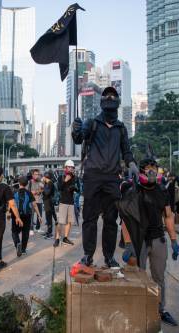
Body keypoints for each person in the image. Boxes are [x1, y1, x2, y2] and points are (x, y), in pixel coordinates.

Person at [72, 86, 138, 267]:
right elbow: (79, 138)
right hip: (93, 176)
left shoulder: (121, 128)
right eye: (106, 95)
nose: (110, 97)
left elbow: (126, 151)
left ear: (117, 102)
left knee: (111, 221)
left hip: (112, 178)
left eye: (113, 95)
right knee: (89, 219)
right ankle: (88, 255)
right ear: (101, 102)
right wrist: (75, 129)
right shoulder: (92, 122)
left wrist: (132, 164)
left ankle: (109, 257)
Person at [122, 158, 179, 326]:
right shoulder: (133, 190)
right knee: (137, 276)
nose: (152, 171)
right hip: (139, 240)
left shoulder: (162, 190)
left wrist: (174, 240)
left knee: (159, 278)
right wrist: (128, 244)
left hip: (158, 239)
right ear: (141, 171)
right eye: (148, 169)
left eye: (154, 168)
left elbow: (168, 216)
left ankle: (160, 309)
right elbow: (126, 219)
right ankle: (137, 308)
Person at [12, 176, 43, 257]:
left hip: (16, 215)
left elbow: (11, 204)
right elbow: (34, 205)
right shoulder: (29, 193)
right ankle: (23, 249)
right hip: (27, 215)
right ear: (26, 184)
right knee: (25, 233)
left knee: (14, 232)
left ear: (19, 183)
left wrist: (9, 214)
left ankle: (17, 243)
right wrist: (39, 216)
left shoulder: (14, 192)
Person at [54, 160, 78, 247]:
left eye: (72, 167)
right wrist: (65, 181)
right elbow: (59, 188)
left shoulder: (74, 177)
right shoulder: (61, 177)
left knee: (69, 221)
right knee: (60, 222)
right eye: (70, 167)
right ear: (66, 167)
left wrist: (74, 188)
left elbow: (78, 189)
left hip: (71, 202)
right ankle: (57, 238)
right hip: (63, 202)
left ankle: (65, 238)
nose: (71, 169)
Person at [42, 171, 57, 238]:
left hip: (49, 202)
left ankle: (50, 233)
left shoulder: (50, 183)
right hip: (47, 201)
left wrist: (42, 187)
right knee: (48, 217)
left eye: (44, 176)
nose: (43, 178)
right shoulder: (47, 183)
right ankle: (48, 231)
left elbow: (47, 193)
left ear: (46, 177)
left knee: (49, 217)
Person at [28, 169, 44, 234]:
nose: (37, 176)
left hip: (39, 200)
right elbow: (27, 191)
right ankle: (31, 229)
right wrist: (32, 192)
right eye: (35, 174)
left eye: (38, 174)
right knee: (31, 215)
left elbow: (43, 190)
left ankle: (38, 228)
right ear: (32, 175)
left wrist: (39, 191)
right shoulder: (30, 182)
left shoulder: (40, 182)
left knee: (39, 214)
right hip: (32, 201)